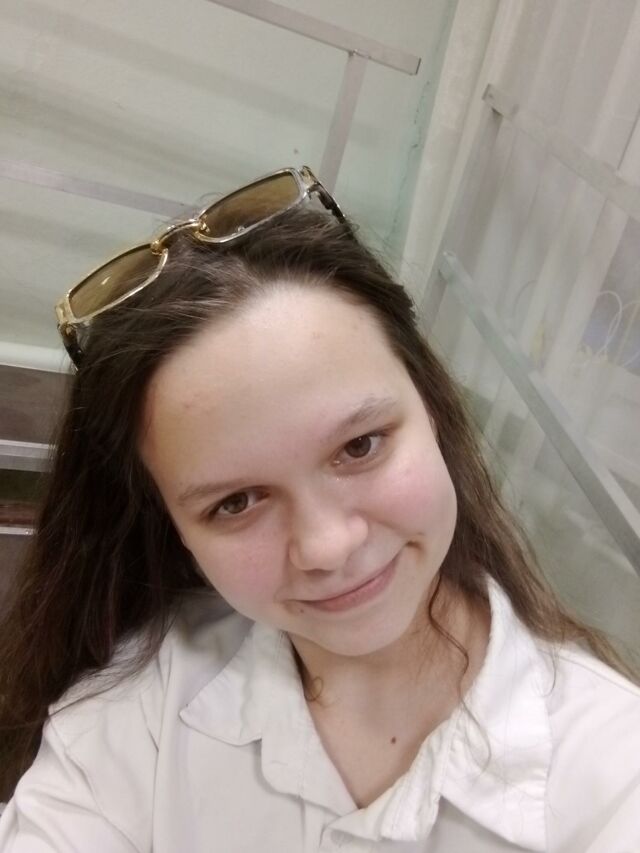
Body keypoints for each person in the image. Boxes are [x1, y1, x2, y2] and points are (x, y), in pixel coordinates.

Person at [0, 166, 638, 852]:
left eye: (359, 446)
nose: (328, 545)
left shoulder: (611, 778)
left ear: (432, 407)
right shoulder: (137, 713)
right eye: (236, 502)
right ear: (174, 527)